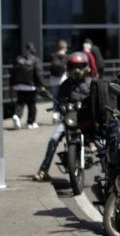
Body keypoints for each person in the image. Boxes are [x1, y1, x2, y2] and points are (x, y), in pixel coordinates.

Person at [33, 52, 95, 182]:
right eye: (74, 66)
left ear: (86, 67)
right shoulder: (65, 85)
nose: (77, 70)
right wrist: (61, 106)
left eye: (80, 66)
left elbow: (97, 100)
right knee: (53, 139)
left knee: (105, 139)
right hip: (70, 119)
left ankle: (109, 173)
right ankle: (43, 170)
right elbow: (59, 100)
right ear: (69, 67)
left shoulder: (91, 83)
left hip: (88, 120)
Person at [10, 42, 45, 129]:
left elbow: (12, 72)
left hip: (19, 85)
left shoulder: (18, 59)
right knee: (31, 104)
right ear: (33, 50)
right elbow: (38, 73)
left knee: (20, 103)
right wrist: (41, 84)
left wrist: (11, 84)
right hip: (31, 86)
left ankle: (16, 116)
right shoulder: (35, 60)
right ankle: (31, 123)